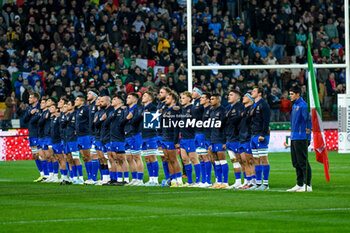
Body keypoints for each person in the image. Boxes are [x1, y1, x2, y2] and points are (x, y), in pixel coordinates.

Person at [287, 85, 312, 192]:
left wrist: (308, 134)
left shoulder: (303, 106)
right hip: (294, 137)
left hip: (301, 137)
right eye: (289, 94)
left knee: (302, 161)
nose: (290, 96)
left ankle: (308, 185)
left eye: (292, 94)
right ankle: (299, 183)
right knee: (296, 162)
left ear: (298, 94)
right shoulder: (294, 106)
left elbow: (309, 120)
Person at [249, 87, 271, 190]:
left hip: (260, 135)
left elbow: (266, 121)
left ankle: (265, 184)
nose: (251, 93)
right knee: (256, 159)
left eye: (254, 91)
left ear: (260, 94)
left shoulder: (263, 105)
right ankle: (258, 183)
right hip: (253, 135)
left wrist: (262, 134)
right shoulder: (254, 105)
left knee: (263, 158)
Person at [161, 92, 183, 187]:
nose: (166, 100)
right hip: (164, 138)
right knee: (168, 159)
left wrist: (176, 141)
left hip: (171, 138)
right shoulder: (165, 110)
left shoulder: (175, 110)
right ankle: (173, 179)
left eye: (168, 98)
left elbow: (177, 126)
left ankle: (179, 180)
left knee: (174, 159)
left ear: (173, 100)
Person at [180, 91, 201, 187]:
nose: (181, 99)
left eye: (183, 98)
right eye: (181, 98)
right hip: (183, 138)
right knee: (184, 159)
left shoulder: (193, 109)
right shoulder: (182, 110)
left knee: (193, 159)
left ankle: (197, 181)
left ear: (189, 99)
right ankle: (189, 181)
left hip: (191, 137)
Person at [225, 90, 245, 189]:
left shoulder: (240, 107)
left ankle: (246, 180)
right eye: (228, 95)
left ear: (237, 97)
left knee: (241, 160)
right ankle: (238, 181)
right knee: (234, 161)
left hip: (237, 138)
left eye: (231, 95)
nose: (229, 96)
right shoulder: (228, 108)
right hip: (229, 138)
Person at [209, 94, 228, 189]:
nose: (210, 101)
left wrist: (225, 141)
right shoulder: (212, 111)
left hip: (220, 139)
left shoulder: (223, 111)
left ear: (218, 100)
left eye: (212, 99)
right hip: (213, 139)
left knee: (223, 160)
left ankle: (225, 182)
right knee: (216, 161)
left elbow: (225, 127)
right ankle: (219, 182)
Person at [124, 93, 144, 186]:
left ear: (135, 100)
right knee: (129, 158)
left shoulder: (138, 108)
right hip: (126, 135)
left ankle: (140, 179)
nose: (127, 99)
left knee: (137, 157)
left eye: (129, 97)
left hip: (135, 134)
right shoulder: (126, 109)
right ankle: (134, 179)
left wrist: (130, 119)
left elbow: (136, 121)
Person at [141, 91, 160, 186]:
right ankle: (151, 179)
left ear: (150, 98)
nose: (142, 97)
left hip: (151, 135)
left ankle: (155, 180)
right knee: (147, 158)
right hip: (143, 135)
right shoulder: (143, 108)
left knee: (152, 157)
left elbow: (154, 122)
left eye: (145, 96)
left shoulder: (153, 107)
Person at [23, 92, 43, 182]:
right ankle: (41, 173)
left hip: (38, 134)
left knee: (41, 155)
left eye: (31, 98)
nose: (29, 99)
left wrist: (32, 117)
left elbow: (34, 121)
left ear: (35, 99)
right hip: (31, 134)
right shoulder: (30, 108)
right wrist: (30, 113)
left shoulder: (40, 107)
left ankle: (47, 174)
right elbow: (24, 119)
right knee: (35, 155)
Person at [74, 95, 94, 184]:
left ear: (82, 102)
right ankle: (89, 177)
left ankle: (91, 178)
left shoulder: (85, 109)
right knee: (84, 158)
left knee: (88, 157)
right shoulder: (78, 110)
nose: (75, 101)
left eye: (77, 100)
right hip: (79, 136)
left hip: (85, 135)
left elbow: (91, 120)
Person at [238, 92, 256, 190]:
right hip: (241, 138)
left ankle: (253, 181)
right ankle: (248, 181)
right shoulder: (243, 110)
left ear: (250, 99)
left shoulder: (252, 109)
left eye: (245, 96)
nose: (243, 98)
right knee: (244, 161)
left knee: (250, 160)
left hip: (248, 137)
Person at [200, 92, 213, 187]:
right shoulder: (204, 110)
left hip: (209, 137)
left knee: (209, 158)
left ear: (208, 100)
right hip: (203, 136)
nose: (201, 99)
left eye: (203, 98)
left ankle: (209, 181)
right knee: (201, 157)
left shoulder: (210, 110)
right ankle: (204, 180)